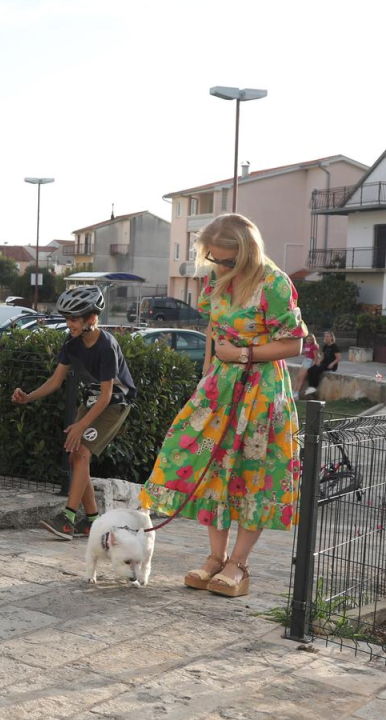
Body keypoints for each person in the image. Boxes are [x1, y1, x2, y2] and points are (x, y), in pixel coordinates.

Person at [140, 214, 306, 598]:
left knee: (253, 474)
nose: (219, 267)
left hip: (261, 391)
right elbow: (214, 328)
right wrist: (207, 373)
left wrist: (244, 354)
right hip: (219, 385)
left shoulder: (275, 284)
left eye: (227, 260)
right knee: (210, 465)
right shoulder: (215, 279)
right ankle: (215, 558)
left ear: (247, 253)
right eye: (214, 259)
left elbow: (294, 344)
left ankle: (238, 565)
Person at [13, 285, 137, 540]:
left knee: (81, 454)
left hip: (114, 403)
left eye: (73, 319)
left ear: (91, 318)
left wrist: (80, 426)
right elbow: (56, 381)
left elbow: (106, 396)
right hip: (93, 400)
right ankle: (92, 521)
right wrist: (29, 397)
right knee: (74, 459)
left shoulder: (106, 346)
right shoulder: (71, 343)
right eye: (67, 319)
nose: (69, 324)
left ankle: (67, 518)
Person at [303, 330, 341, 397]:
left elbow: (338, 358)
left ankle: (314, 387)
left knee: (316, 371)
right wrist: (319, 361)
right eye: (325, 336)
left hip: (331, 365)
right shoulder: (325, 346)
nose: (326, 338)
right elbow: (323, 356)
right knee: (310, 370)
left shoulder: (334, 346)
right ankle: (311, 387)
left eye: (328, 336)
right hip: (324, 363)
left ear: (331, 337)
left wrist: (332, 364)